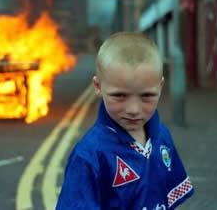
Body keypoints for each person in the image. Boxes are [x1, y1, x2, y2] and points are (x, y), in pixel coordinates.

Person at [56, 32, 193, 210]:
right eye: (119, 96)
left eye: (147, 96)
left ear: (160, 87)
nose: (133, 110)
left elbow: (171, 197)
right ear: (98, 87)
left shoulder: (162, 136)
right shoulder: (89, 155)